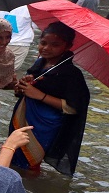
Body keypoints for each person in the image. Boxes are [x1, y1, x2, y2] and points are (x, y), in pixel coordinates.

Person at [10, 22, 91, 177]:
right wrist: (22, 87)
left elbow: (73, 107)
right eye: (43, 43)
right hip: (24, 116)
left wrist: (40, 95)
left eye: (55, 45)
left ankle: (29, 189)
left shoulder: (71, 74)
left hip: (45, 125)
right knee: (14, 154)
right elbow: (25, 93)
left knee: (30, 162)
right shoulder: (39, 64)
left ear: (67, 46)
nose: (46, 48)